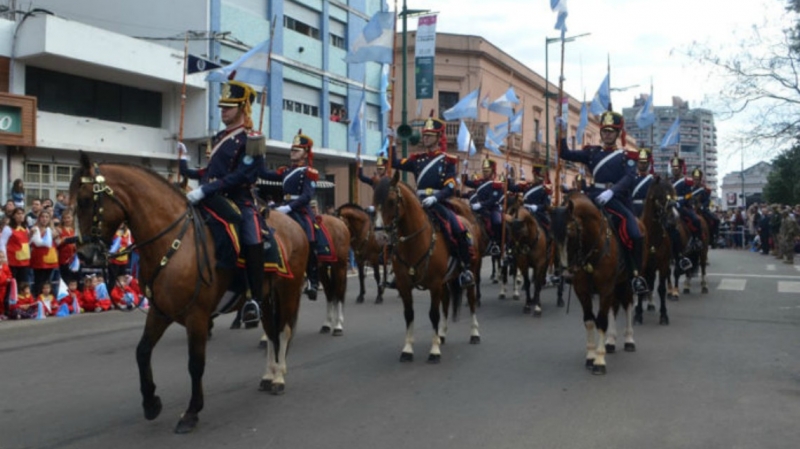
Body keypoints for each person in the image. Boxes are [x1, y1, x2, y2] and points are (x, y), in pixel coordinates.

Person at [179, 77, 265, 323]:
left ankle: (253, 298)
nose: (223, 110)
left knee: (250, 235)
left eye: (229, 106)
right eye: (222, 107)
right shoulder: (219, 137)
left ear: (242, 107)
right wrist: (184, 164)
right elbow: (208, 173)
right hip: (213, 197)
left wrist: (207, 189)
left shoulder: (253, 139)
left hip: (239, 199)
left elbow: (243, 175)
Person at [556, 111, 648, 294]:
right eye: (604, 131)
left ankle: (636, 275)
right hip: (593, 196)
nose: (607, 134)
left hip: (617, 200)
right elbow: (564, 153)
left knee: (635, 232)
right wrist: (561, 132)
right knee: (566, 224)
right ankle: (566, 267)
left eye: (611, 131)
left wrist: (611, 192)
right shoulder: (592, 153)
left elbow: (629, 179)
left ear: (618, 134)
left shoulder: (627, 156)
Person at [390, 116, 475, 287]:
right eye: (425, 134)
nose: (425, 137)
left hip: (438, 202)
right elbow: (395, 163)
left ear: (438, 137)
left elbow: (450, 186)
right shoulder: (417, 159)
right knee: (395, 228)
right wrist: (391, 142)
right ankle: (397, 269)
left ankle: (465, 268)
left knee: (458, 228)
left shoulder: (447, 160)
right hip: (418, 202)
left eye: (430, 134)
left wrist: (435, 197)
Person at [259, 131, 321, 299]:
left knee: (309, 238)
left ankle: (313, 280)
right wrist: (259, 156)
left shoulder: (309, 172)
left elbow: (307, 195)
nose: (293, 152)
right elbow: (265, 174)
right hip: (284, 206)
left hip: (300, 209)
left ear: (305, 153)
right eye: (292, 149)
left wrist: (289, 208)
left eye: (298, 150)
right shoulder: (285, 171)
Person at [463, 158, 505, 256]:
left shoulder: (496, 184)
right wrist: (465, 170)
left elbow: (493, 200)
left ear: (492, 172)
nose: (485, 173)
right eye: (484, 171)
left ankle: (496, 243)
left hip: (492, 208)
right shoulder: (479, 182)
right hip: (479, 208)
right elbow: (466, 182)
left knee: (497, 221)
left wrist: (481, 205)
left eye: (487, 171)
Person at [670, 156, 703, 251]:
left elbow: (689, 195)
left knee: (696, 219)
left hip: (683, 205)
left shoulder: (686, 181)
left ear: (681, 169)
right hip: (671, 205)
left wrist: (680, 203)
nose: (675, 170)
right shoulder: (669, 181)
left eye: (677, 168)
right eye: (673, 168)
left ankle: (697, 239)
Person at [513, 165, 553, 233]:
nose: (540, 179)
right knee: (512, 221)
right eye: (537, 176)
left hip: (536, 212)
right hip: (523, 209)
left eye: (541, 177)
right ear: (534, 175)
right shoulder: (527, 185)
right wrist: (508, 177)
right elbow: (513, 188)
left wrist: (536, 207)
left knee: (546, 227)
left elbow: (547, 205)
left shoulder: (546, 189)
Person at [30, 208, 58, 296]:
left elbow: (57, 242)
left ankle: (48, 299)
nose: (44, 219)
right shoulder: (34, 229)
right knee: (38, 280)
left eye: (47, 217)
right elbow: (29, 242)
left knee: (48, 280)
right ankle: (38, 297)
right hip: (38, 258)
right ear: (39, 218)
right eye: (42, 217)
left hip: (49, 258)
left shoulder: (52, 230)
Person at [689, 167, 720, 248]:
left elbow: (707, 200)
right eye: (695, 179)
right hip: (692, 209)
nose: (696, 181)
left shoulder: (704, 189)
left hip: (702, 209)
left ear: (700, 179)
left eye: (697, 179)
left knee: (716, 220)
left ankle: (713, 238)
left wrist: (702, 206)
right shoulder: (690, 190)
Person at [1, 207, 31, 286]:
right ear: (14, 216)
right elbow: (2, 243)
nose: (21, 216)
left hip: (24, 261)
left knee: (23, 283)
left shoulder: (26, 229)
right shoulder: (8, 228)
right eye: (18, 214)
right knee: (13, 283)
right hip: (13, 261)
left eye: (22, 213)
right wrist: (4, 259)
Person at [630, 149, 654, 217]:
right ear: (637, 162)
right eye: (640, 162)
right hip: (633, 208)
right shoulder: (631, 178)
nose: (642, 165)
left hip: (647, 208)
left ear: (648, 163)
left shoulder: (652, 179)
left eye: (644, 163)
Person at [0, 251, 11, 320]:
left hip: (4, 287)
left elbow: (9, 274)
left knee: (2, 301)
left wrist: (8, 278)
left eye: (2, 257)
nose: (1, 259)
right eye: (0, 257)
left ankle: (2, 313)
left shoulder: (5, 266)